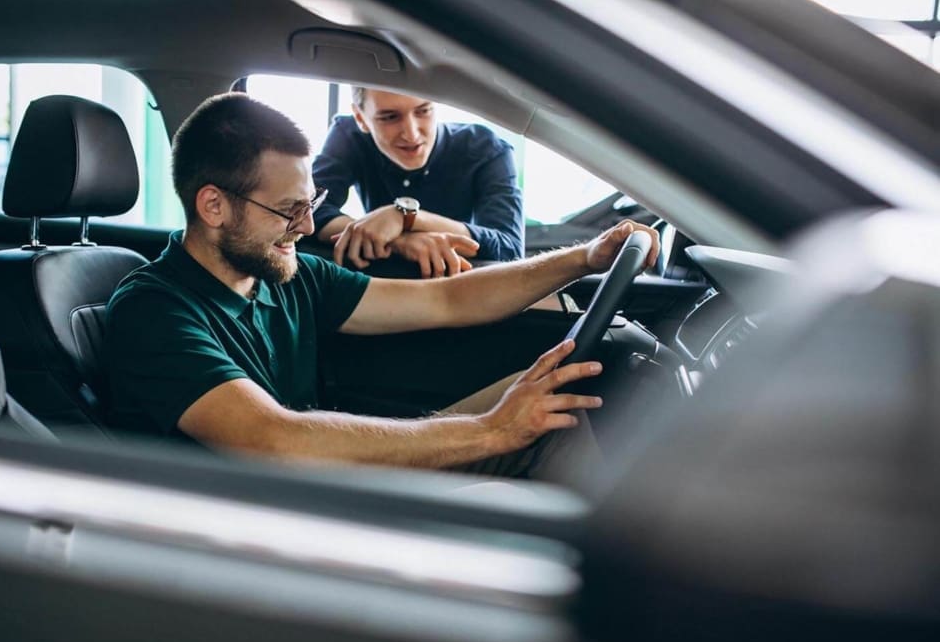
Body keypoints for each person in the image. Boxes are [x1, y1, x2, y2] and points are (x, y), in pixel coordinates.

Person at [104, 93, 658, 478]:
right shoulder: (154, 309)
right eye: (288, 210)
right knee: (541, 423)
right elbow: (272, 439)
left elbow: (449, 297)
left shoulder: (288, 277)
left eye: (311, 205)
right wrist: (490, 431)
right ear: (214, 205)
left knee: (556, 395)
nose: (305, 227)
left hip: (332, 477)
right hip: (271, 516)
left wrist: (585, 257)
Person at [311, 87, 524, 278]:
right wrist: (398, 242)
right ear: (360, 118)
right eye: (390, 117)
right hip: (381, 285)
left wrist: (406, 218)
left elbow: (510, 250)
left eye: (423, 111)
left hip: (460, 286)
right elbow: (307, 212)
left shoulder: (487, 148)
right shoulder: (348, 134)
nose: (411, 134)